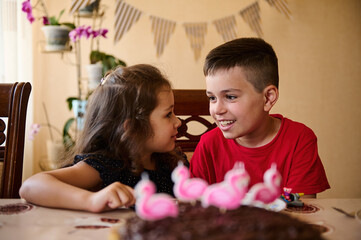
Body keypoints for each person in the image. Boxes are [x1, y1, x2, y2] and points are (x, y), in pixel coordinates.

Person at [20, 64, 188, 212]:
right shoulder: (107, 165)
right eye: (168, 114)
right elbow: (30, 186)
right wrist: (90, 200)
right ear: (132, 129)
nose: (178, 121)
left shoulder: (173, 162)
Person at [189, 38, 330, 198]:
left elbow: (302, 212)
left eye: (230, 96)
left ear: (268, 98)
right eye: (212, 98)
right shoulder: (208, 145)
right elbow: (194, 209)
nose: (217, 109)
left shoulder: (299, 140)